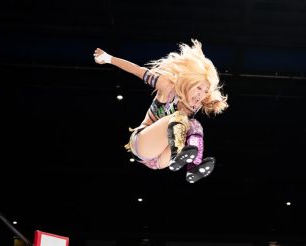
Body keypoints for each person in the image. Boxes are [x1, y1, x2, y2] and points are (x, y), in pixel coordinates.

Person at [93, 39, 228, 183]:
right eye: (198, 88)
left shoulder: (198, 103)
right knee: (180, 117)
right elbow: (137, 70)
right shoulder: (167, 86)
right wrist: (108, 58)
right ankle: (178, 153)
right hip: (142, 144)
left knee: (195, 125)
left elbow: (214, 104)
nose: (200, 95)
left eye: (205, 91)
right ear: (189, 83)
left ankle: (193, 168)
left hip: (160, 161)